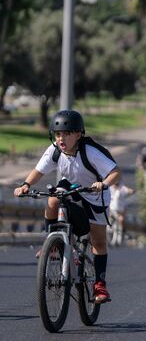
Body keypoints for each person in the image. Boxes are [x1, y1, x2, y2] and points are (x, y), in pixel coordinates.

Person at [14, 110, 120, 303]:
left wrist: (103, 184)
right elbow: (38, 170)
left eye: (67, 134)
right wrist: (25, 185)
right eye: (58, 134)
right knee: (53, 199)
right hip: (71, 185)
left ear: (78, 134)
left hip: (95, 194)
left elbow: (115, 172)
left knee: (98, 242)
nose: (61, 138)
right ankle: (53, 244)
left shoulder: (90, 151)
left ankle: (99, 285)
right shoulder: (55, 150)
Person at [108, 182, 135, 247]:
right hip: (111, 211)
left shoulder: (122, 188)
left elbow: (130, 190)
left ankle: (118, 240)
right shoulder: (109, 188)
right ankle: (110, 240)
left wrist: (131, 191)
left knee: (119, 225)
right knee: (110, 226)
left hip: (120, 211)